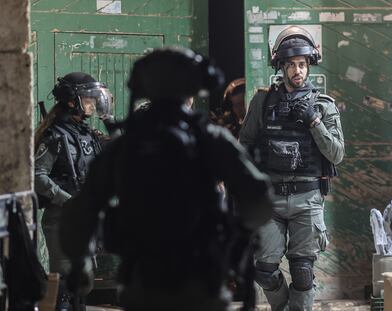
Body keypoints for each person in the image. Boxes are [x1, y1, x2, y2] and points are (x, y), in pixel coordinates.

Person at [58, 47, 274, 311]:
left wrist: (80, 264)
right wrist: (236, 239)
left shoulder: (126, 145)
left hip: (143, 282)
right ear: (192, 89)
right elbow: (259, 200)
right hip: (203, 280)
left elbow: (82, 211)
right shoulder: (212, 140)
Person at [239, 26, 345, 311]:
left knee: (302, 271)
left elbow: (336, 154)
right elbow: (245, 144)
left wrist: (314, 122)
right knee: (264, 269)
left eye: (302, 65)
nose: (298, 71)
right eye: (291, 65)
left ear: (309, 66)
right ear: (281, 67)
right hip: (269, 199)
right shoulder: (262, 102)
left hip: (307, 199)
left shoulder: (323, 105)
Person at [34, 72, 113, 310]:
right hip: (62, 218)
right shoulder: (55, 135)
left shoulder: (87, 133)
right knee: (66, 284)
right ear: (72, 101)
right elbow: (37, 175)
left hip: (85, 217)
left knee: (84, 283)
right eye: (88, 98)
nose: (93, 103)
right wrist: (67, 201)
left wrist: (108, 119)